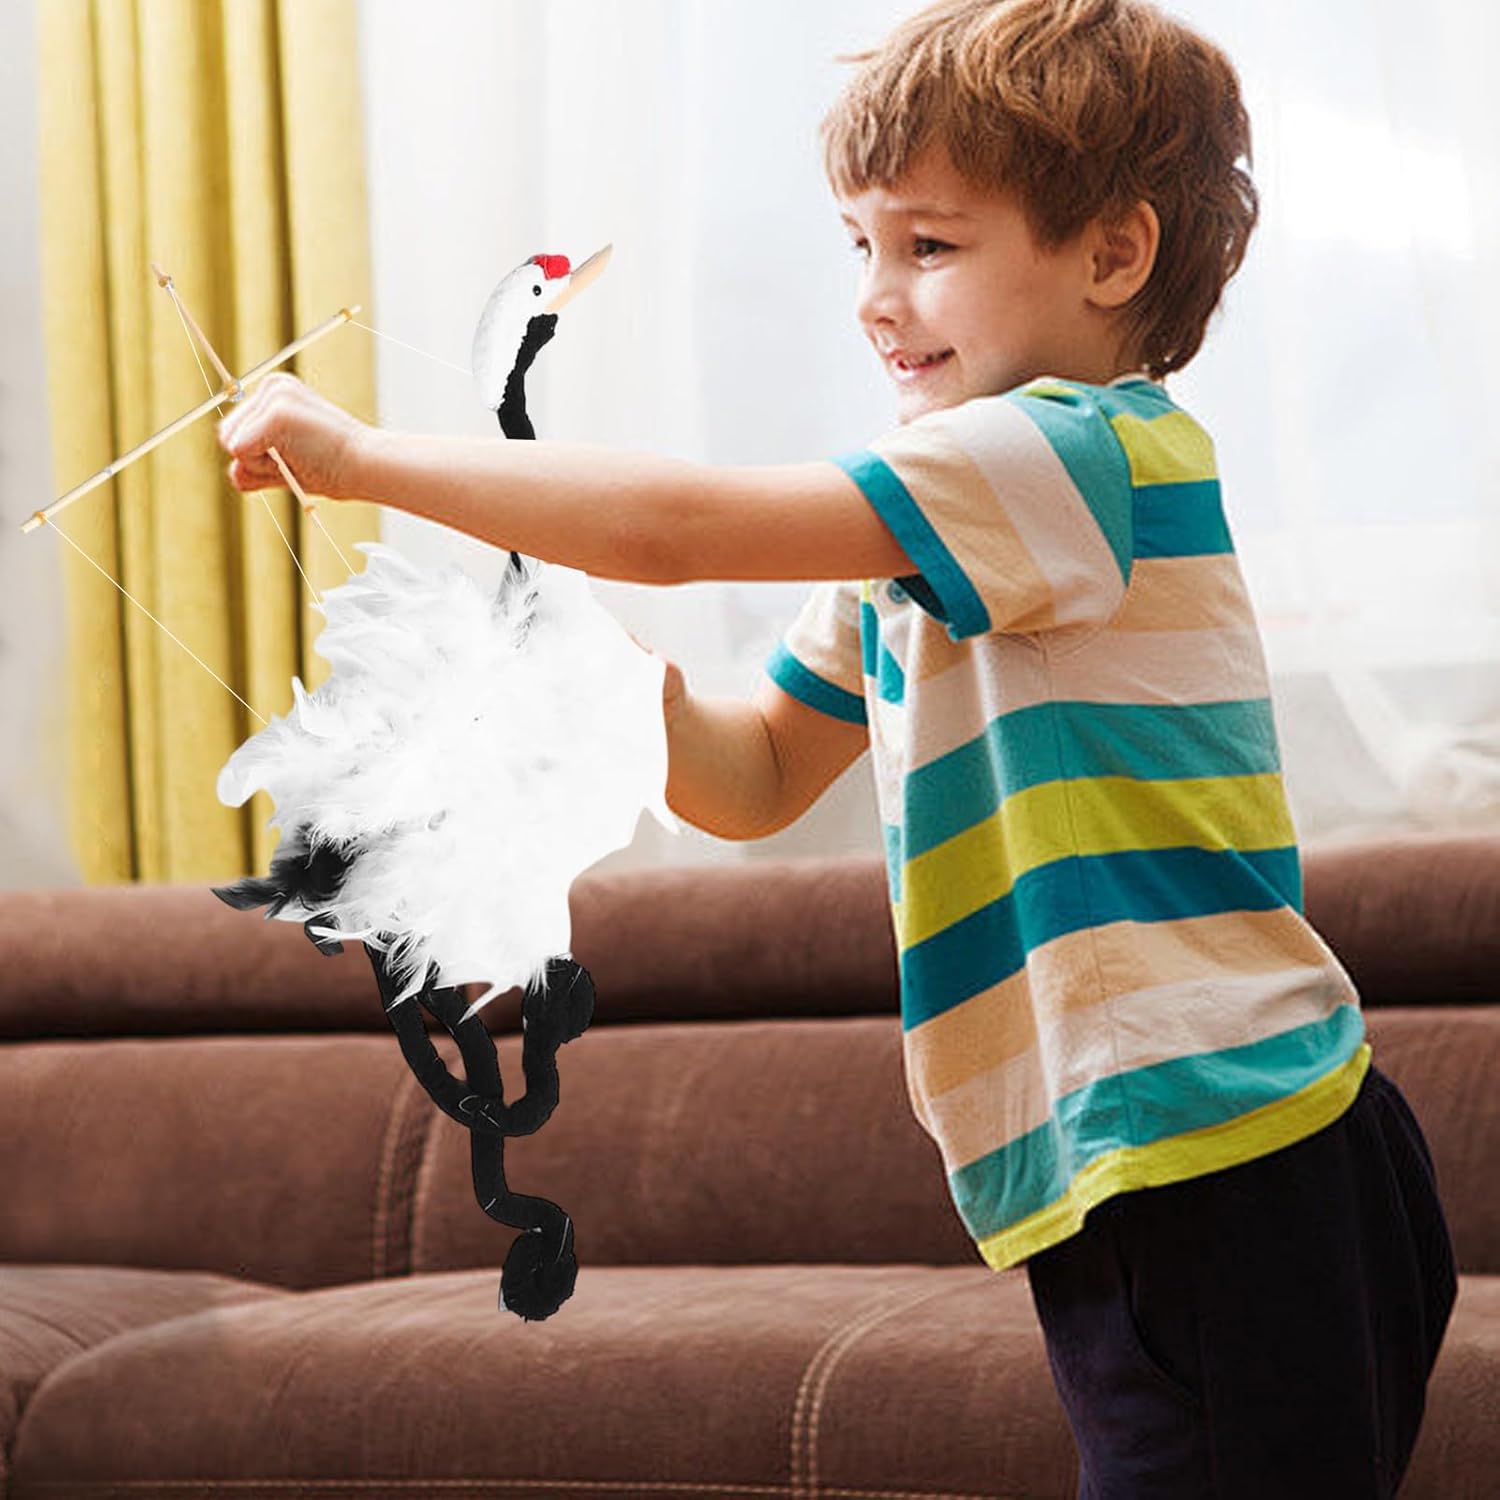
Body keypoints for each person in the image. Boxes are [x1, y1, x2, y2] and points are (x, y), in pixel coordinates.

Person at [217, 1, 1456, 1492]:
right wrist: (620, 690)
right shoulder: (919, 536)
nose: (876, 296)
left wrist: (359, 460)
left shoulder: (1075, 452)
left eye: (928, 245)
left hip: (1224, 1156)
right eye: (859, 244)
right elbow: (751, 779)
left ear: (1114, 255)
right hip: (1154, 1168)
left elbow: (673, 529)